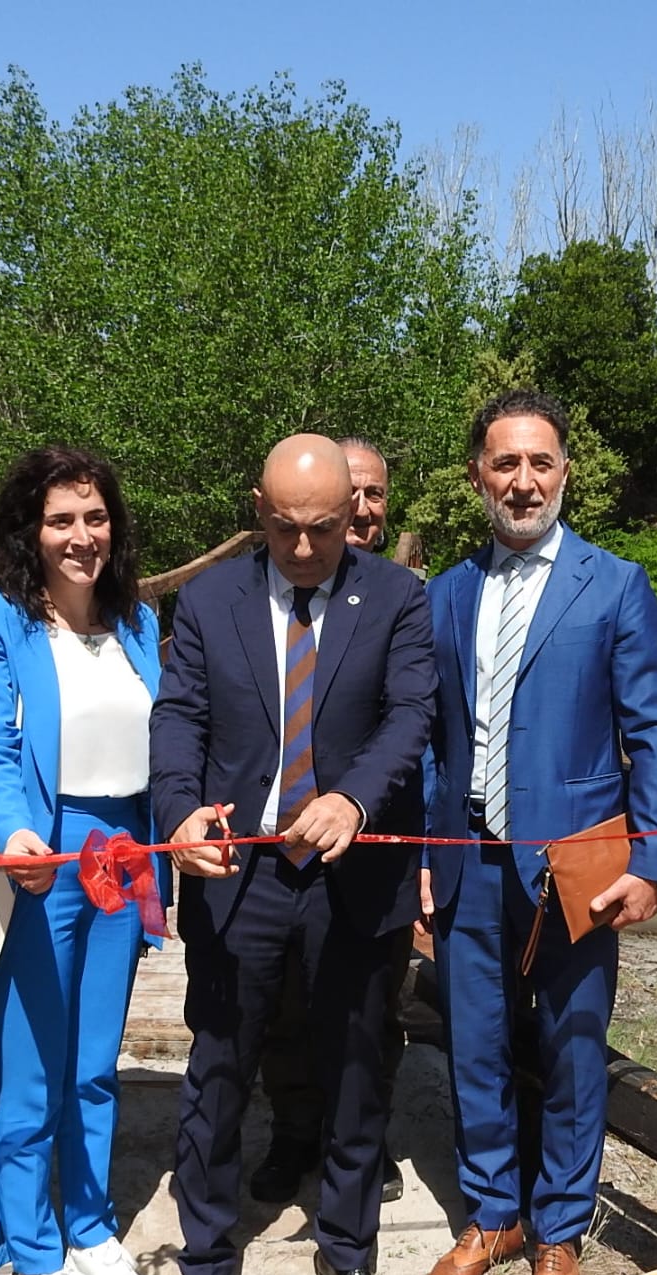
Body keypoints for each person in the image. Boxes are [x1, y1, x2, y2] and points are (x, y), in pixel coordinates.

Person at [150, 434, 435, 1275]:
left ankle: (350, 1253)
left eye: (324, 528)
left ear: (351, 511)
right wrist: (180, 811)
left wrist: (353, 796)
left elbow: (409, 716)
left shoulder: (394, 596)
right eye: (286, 529)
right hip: (243, 870)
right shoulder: (209, 600)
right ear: (259, 509)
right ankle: (204, 1264)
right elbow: (181, 715)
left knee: (358, 1065)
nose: (306, 548)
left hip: (354, 870)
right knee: (220, 1069)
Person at [417, 389, 657, 1275]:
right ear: (477, 476)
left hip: (575, 865)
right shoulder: (445, 594)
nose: (522, 481)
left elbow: (651, 731)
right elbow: (433, 740)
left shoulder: (616, 586)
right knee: (477, 1045)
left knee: (573, 1050)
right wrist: (421, 852)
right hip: (467, 861)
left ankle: (559, 1231)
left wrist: (653, 862)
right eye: (504, 464)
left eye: (539, 463)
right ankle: (492, 1215)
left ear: (565, 471)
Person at [0, 446, 166, 1275]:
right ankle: (32, 1259)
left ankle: (89, 1225)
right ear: (28, 531)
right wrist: (9, 831)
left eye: (96, 517)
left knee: (94, 1063)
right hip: (43, 854)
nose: (82, 537)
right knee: (33, 1068)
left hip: (127, 855)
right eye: (61, 520)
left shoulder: (140, 623)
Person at [250, 436, 411, 1206]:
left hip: (382, 845)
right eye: (361, 497)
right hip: (279, 853)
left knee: (372, 1021)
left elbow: (418, 726)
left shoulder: (407, 596)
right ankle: (292, 1134)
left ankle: (361, 1148)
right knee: (284, 1012)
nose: (365, 514)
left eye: (374, 498)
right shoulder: (269, 592)